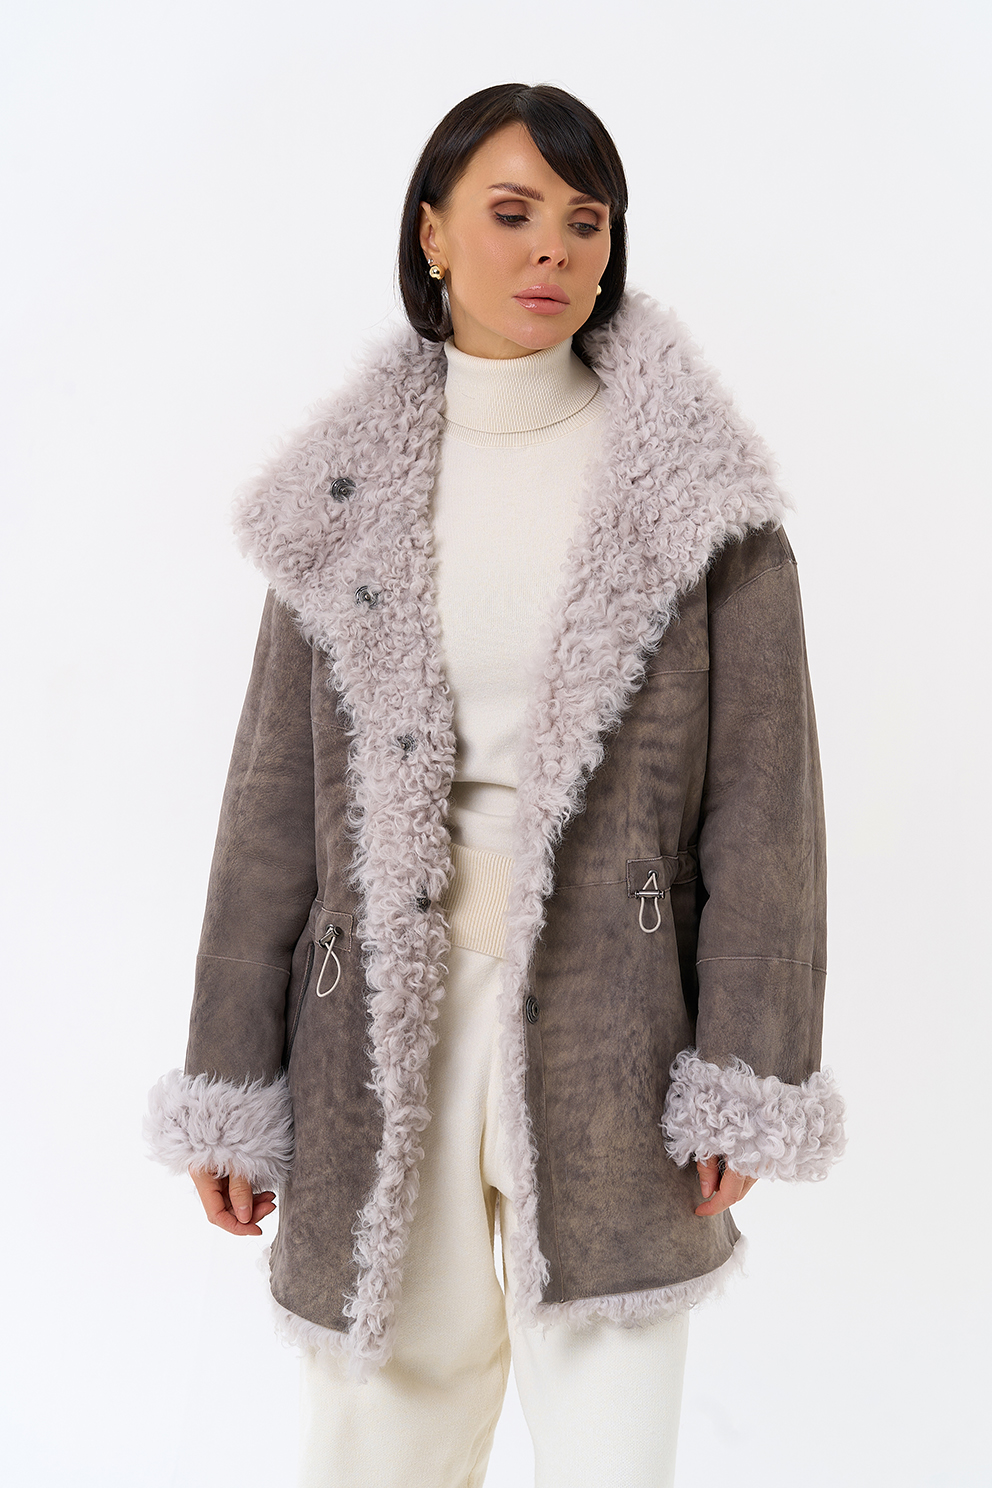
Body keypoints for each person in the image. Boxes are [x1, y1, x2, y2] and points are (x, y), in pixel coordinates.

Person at [146, 82, 845, 1488]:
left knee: (610, 1449)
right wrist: (231, 1076)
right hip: (375, 1028)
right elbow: (269, 811)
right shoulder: (342, 501)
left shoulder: (699, 500)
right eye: (512, 213)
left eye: (586, 222)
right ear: (433, 236)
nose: (553, 253)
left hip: (618, 1031)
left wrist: (747, 1073)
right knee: (380, 1445)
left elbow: (768, 812)